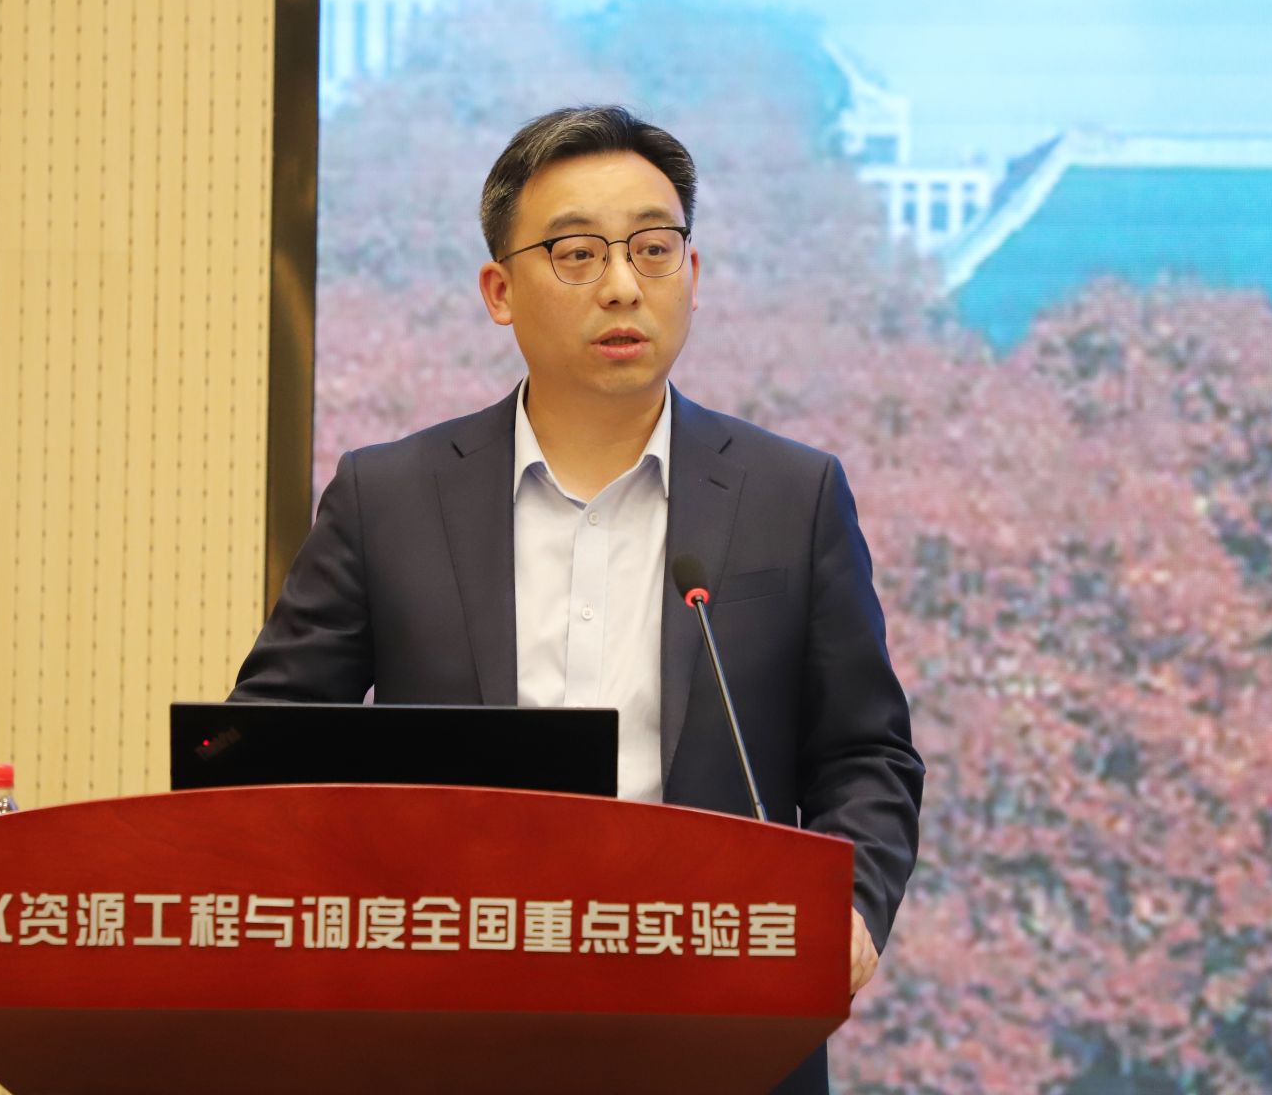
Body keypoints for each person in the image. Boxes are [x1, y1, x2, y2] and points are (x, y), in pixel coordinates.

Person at [231, 105, 923, 1094]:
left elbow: (863, 753)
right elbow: (267, 751)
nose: (621, 284)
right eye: (577, 253)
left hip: (719, 1028)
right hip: (448, 1029)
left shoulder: (791, 495)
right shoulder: (388, 497)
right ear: (499, 291)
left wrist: (846, 907)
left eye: (652, 248)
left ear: (692, 275)